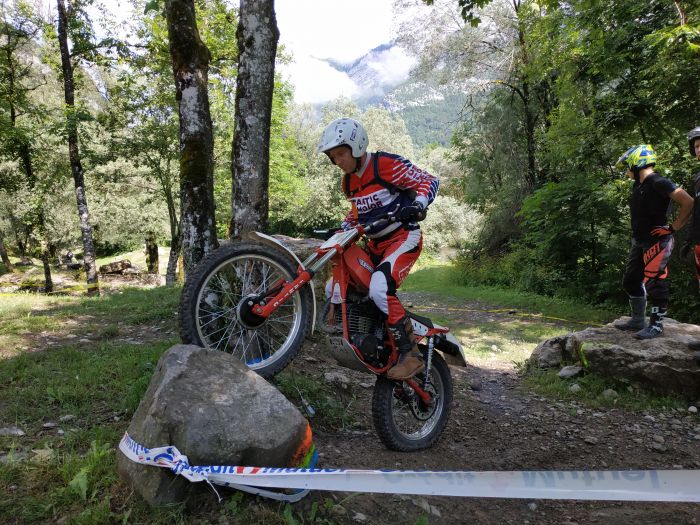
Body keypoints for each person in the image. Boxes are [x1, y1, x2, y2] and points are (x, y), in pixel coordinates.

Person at [317, 118, 439, 379]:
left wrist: (418, 204)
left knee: (380, 287)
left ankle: (411, 354)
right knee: (333, 287)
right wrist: (341, 228)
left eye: (341, 154)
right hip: (374, 244)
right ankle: (371, 337)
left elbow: (429, 180)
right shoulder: (348, 183)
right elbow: (357, 215)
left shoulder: (385, 165)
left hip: (403, 237)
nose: (337, 161)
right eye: (333, 157)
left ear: (357, 146)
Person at [613, 144, 693, 339]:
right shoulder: (638, 184)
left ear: (636, 163)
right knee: (631, 280)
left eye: (627, 166)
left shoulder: (658, 181)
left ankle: (656, 325)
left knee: (655, 282)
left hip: (658, 241)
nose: (626, 171)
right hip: (639, 241)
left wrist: (674, 227)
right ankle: (638, 320)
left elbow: (688, 201)